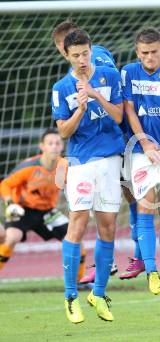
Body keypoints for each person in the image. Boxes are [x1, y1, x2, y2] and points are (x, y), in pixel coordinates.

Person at [52, 20, 143, 282]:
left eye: (79, 50)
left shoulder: (99, 58)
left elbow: (114, 95)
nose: (73, 56)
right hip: (90, 147)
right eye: (64, 49)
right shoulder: (64, 83)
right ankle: (110, 260)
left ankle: (137, 254)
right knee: (97, 206)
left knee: (130, 193)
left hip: (118, 135)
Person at [52, 29, 125, 323]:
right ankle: (71, 296)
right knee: (78, 221)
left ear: (91, 50)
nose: (81, 60)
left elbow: (119, 117)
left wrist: (95, 95)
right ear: (66, 56)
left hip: (110, 160)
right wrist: (80, 110)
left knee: (107, 228)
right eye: (75, 56)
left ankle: (98, 293)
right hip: (82, 162)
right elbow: (63, 131)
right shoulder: (61, 87)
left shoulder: (108, 76)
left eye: (85, 53)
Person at [121, 28, 160, 295]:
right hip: (140, 152)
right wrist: (145, 143)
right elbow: (129, 110)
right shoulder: (128, 73)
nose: (150, 57)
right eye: (145, 53)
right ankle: (151, 272)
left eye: (154, 52)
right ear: (138, 52)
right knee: (146, 206)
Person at [0, 129, 87, 280]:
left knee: (75, 237)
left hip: (48, 212)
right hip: (23, 210)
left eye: (57, 143)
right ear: (42, 146)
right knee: (12, 237)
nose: (54, 146)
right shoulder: (29, 167)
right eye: (50, 143)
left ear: (62, 146)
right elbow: (5, 184)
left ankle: (79, 282)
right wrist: (10, 203)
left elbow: (76, 185)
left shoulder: (65, 166)